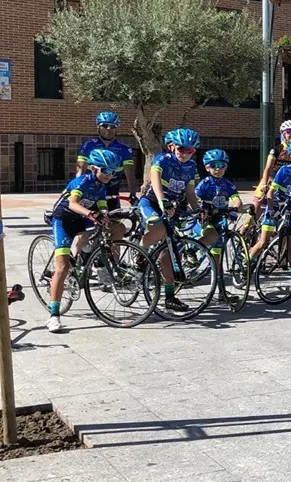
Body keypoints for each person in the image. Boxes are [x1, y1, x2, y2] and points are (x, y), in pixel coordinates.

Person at [46, 148, 122, 333]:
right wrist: (90, 213)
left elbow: (102, 205)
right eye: (105, 170)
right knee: (62, 268)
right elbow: (72, 204)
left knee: (109, 230)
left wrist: (104, 215)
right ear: (94, 168)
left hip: (80, 219)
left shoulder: (101, 186)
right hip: (63, 219)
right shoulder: (82, 181)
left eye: (112, 171)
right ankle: (54, 315)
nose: (109, 175)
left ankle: (80, 261)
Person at [138, 127, 202, 313]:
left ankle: (170, 297)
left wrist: (197, 210)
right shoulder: (162, 160)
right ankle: (139, 252)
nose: (185, 153)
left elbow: (190, 192)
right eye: (181, 149)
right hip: (151, 202)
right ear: (171, 147)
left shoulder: (191, 167)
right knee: (158, 227)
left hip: (171, 208)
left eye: (189, 150)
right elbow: (155, 181)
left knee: (166, 255)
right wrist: (162, 201)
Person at [248, 137, 291, 293]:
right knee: (264, 241)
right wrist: (271, 208)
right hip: (276, 207)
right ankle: (247, 263)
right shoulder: (284, 171)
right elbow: (271, 192)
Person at [195, 149, 244, 304]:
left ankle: (221, 292)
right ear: (207, 168)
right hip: (207, 219)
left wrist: (237, 208)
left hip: (221, 221)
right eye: (213, 165)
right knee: (210, 237)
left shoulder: (228, 184)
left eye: (221, 165)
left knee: (218, 260)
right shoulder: (205, 183)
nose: (217, 168)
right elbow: (195, 198)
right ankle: (192, 251)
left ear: (226, 166)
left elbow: (237, 199)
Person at [76, 111, 137, 211]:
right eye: (104, 125)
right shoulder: (88, 145)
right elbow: (80, 170)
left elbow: (129, 173)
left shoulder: (124, 149)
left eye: (112, 126)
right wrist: (76, 188)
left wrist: (133, 194)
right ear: (98, 127)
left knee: (115, 224)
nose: (108, 129)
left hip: (112, 192)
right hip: (89, 192)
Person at [253, 120, 291, 212]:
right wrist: (264, 183)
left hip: (287, 183)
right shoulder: (277, 150)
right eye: (289, 132)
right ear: (283, 134)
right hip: (272, 180)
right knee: (256, 205)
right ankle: (247, 225)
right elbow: (268, 168)